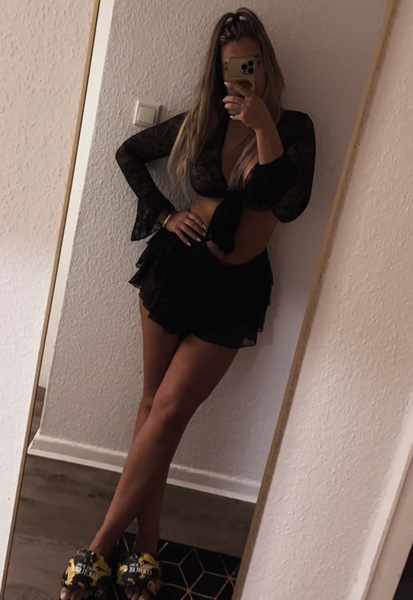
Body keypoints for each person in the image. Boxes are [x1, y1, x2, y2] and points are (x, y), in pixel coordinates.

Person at [60, 7, 315, 600]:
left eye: (252, 64)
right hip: (176, 269)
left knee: (170, 410)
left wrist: (263, 128)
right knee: (153, 407)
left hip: (235, 290)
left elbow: (287, 204)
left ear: (267, 65)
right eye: (232, 67)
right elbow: (129, 152)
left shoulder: (294, 129)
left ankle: (99, 545)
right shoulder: (201, 121)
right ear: (218, 71)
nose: (243, 76)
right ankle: (145, 549)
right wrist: (164, 213)